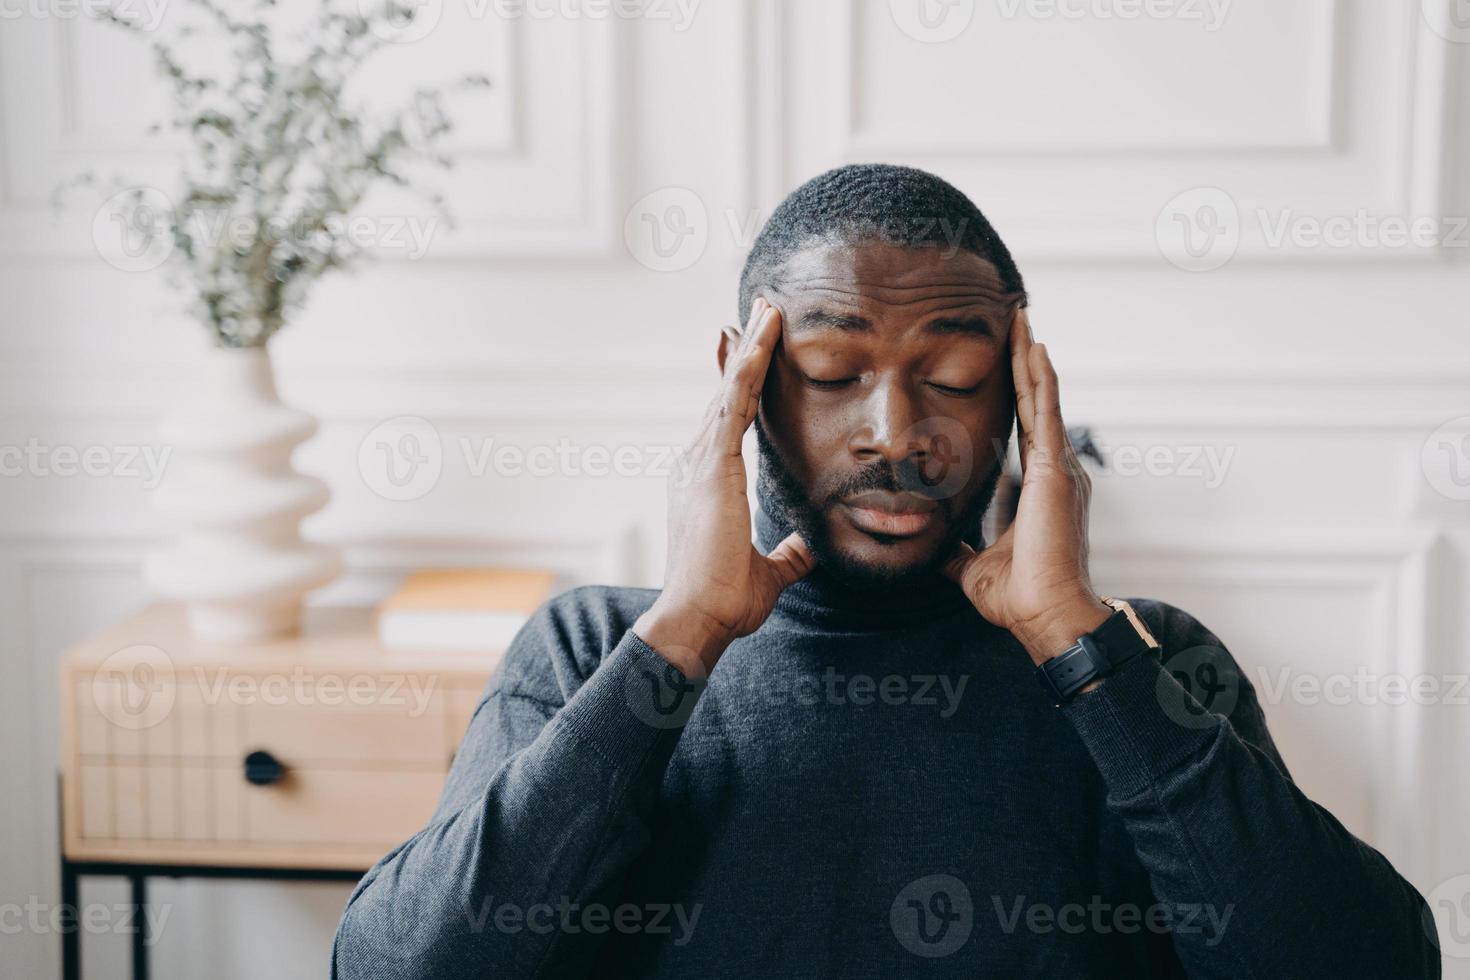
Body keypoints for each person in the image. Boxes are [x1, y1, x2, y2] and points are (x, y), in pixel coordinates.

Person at [333, 164, 1440, 978]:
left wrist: (1078, 641)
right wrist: (682, 635)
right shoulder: (590, 652)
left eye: (954, 374)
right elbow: (396, 968)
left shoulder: (1145, 661)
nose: (894, 429)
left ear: (1019, 385)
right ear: (744, 379)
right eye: (830, 370)